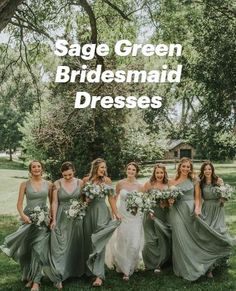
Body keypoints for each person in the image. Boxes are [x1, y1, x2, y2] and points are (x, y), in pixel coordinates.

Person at [168, 157, 232, 281]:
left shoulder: (195, 180)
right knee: (179, 237)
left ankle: (198, 263)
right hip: (177, 211)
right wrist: (170, 201)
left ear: (190, 168)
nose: (186, 168)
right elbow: (170, 199)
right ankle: (183, 267)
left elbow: (198, 197)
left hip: (191, 210)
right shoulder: (172, 182)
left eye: (188, 167)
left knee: (192, 238)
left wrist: (197, 209)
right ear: (179, 167)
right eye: (184, 166)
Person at [0, 160, 51, 291]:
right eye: (34, 167)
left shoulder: (49, 184)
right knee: (26, 251)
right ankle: (29, 276)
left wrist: (50, 217)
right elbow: (19, 205)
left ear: (42, 169)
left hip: (42, 221)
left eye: (39, 166)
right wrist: (24, 217)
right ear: (30, 170)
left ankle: (36, 281)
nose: (36, 168)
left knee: (39, 250)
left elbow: (53, 203)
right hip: (28, 221)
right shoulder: (24, 184)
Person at [41, 161, 85, 289]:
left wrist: (80, 211)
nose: (67, 177)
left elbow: (83, 200)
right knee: (60, 245)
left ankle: (73, 271)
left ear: (74, 171)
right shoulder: (57, 183)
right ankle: (58, 275)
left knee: (74, 243)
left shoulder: (80, 182)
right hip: (61, 216)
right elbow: (54, 202)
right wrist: (54, 219)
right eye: (65, 175)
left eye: (70, 175)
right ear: (62, 174)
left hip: (76, 217)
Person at [83, 158, 121, 287]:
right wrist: (86, 200)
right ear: (95, 168)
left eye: (105, 168)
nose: (104, 170)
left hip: (102, 213)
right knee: (89, 241)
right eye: (101, 168)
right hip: (88, 214)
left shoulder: (107, 181)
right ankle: (89, 270)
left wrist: (116, 213)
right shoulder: (86, 181)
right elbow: (82, 200)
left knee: (100, 242)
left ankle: (99, 275)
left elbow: (111, 199)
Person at [106, 162, 143, 280]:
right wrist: (114, 212)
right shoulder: (120, 183)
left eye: (133, 170)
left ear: (136, 172)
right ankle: (125, 269)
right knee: (122, 240)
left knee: (134, 242)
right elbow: (114, 198)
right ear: (126, 170)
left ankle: (132, 264)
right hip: (123, 216)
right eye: (129, 169)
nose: (131, 171)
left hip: (135, 217)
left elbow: (143, 202)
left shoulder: (140, 186)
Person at [199, 161, 234, 275]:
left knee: (219, 233)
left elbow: (225, 196)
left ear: (212, 170)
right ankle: (208, 267)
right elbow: (198, 198)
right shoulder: (201, 183)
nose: (207, 171)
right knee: (208, 237)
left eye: (209, 169)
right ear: (203, 171)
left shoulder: (218, 181)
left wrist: (223, 199)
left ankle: (220, 261)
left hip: (218, 209)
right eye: (205, 169)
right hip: (206, 210)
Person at [142, 163, 171, 273]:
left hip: (163, 214)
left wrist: (166, 204)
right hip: (150, 214)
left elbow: (171, 202)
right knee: (150, 240)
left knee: (161, 238)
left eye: (161, 173)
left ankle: (159, 264)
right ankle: (149, 262)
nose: (159, 175)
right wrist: (149, 210)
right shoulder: (149, 184)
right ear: (154, 173)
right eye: (157, 172)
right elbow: (143, 199)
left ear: (164, 173)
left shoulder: (168, 185)